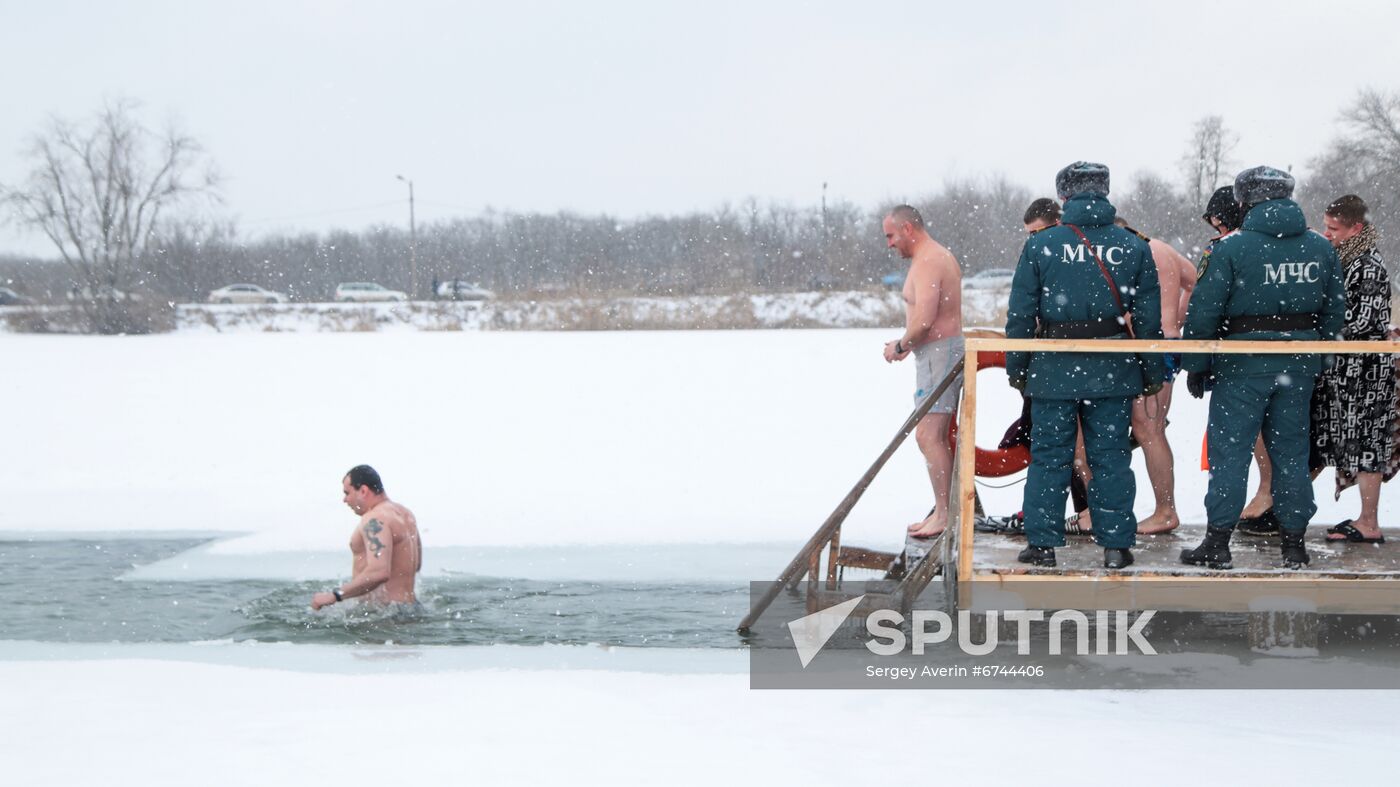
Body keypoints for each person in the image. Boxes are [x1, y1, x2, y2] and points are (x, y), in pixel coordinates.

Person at [1179, 167, 1345, 570]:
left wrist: (1197, 364)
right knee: (1291, 454)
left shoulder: (1231, 248)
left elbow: (1204, 312)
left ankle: (1217, 543)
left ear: (1246, 202)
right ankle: (1294, 544)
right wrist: (1317, 358)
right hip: (1298, 367)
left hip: (1242, 366)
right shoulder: (1319, 247)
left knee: (1230, 454)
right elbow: (1334, 310)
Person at [1006, 162, 1165, 570]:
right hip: (1112, 367)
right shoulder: (1133, 245)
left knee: (1050, 457)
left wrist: (1018, 367)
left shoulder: (1042, 244)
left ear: (1064, 197)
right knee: (1110, 457)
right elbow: (1148, 320)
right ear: (1105, 193)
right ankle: (1116, 546)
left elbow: (1022, 313)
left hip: (1054, 367)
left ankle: (1042, 544)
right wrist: (1150, 372)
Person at [1313, 194, 1397, 544]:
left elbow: (1366, 320)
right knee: (1353, 444)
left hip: (1368, 373)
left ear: (1356, 227)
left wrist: (1320, 325)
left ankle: (1369, 521)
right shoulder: (1347, 258)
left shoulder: (1368, 264)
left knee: (1368, 446)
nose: (1327, 233)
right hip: (1348, 371)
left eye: (1334, 228)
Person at [1111, 216, 1198, 535]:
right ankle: (1164, 509)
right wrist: (1176, 317)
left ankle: (1165, 510)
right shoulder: (1162, 249)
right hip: (1169, 343)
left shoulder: (1130, 253)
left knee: (1148, 430)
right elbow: (1197, 283)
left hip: (1147, 345)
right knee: (1153, 429)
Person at [881, 204, 964, 539]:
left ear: (908, 230)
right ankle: (942, 511)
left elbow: (926, 319)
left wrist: (900, 346)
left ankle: (944, 514)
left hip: (940, 353)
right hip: (933, 353)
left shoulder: (931, 259)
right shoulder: (928, 258)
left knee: (928, 435)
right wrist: (907, 345)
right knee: (931, 435)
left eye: (891, 235)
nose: (889, 244)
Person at [311, 464, 423, 609]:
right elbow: (416, 564)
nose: (345, 500)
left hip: (385, 616)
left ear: (363, 490)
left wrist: (334, 595)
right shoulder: (406, 514)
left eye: (347, 493)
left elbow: (379, 572)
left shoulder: (374, 519)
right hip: (411, 608)